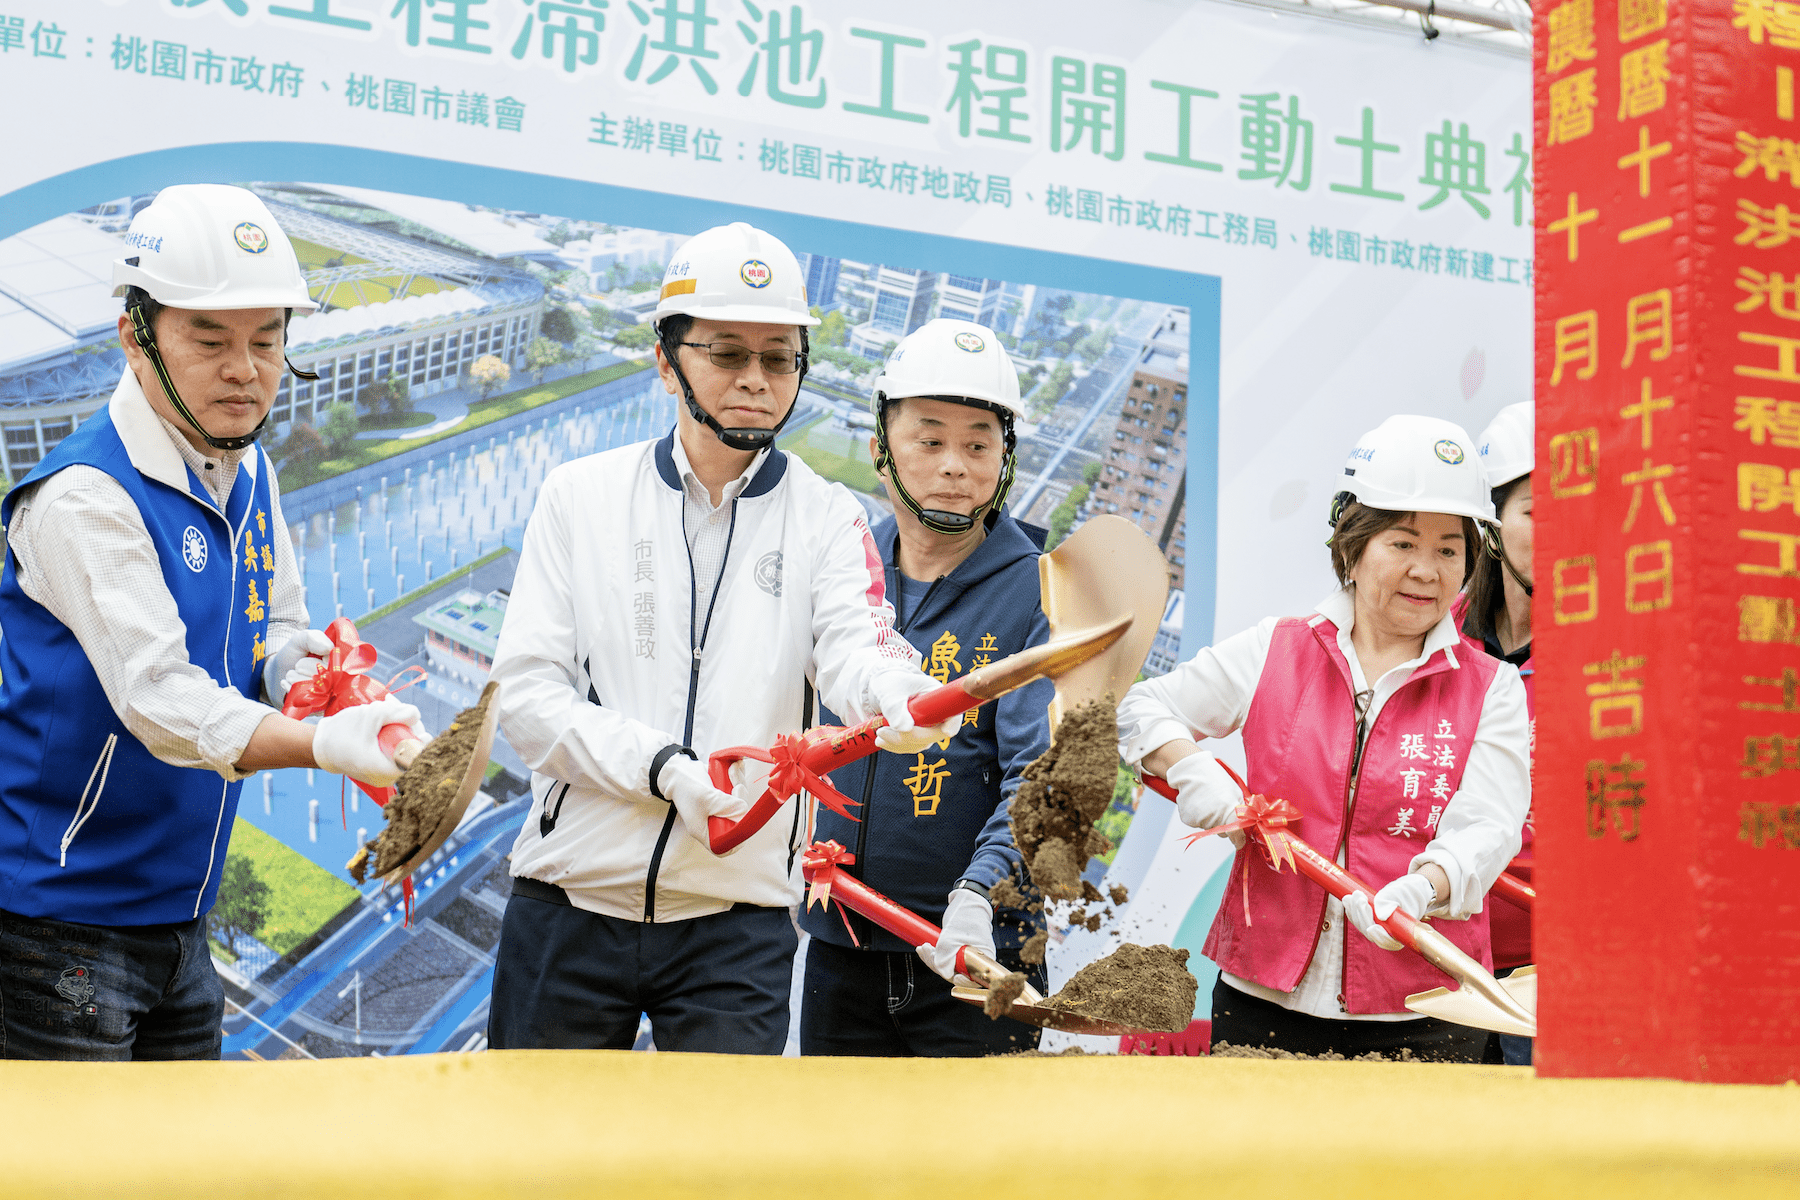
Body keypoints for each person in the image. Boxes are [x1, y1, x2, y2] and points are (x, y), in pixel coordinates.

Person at [486, 222, 955, 1054]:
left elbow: (858, 643)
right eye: (727, 354)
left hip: (737, 927)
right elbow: (525, 699)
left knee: (718, 1174)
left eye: (779, 358)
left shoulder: (829, 516)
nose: (755, 380)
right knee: (532, 1166)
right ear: (667, 361)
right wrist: (664, 770)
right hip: (568, 902)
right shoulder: (579, 497)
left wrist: (899, 693)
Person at [0, 185, 421, 1061]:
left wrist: (308, 675)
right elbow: (158, 696)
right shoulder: (85, 498)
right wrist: (320, 748)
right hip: (59, 928)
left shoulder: (249, 468)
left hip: (183, 914)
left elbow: (271, 627)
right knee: (77, 1180)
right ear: (136, 336)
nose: (246, 369)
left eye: (267, 340)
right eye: (210, 339)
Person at [1117, 415, 1530, 1061]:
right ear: (1354, 541)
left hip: (1427, 1009)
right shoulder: (1276, 648)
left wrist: (1424, 885)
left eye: (1450, 550)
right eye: (1401, 543)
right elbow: (1143, 708)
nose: (1426, 570)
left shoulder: (1493, 688)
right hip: (1263, 997)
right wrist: (1192, 771)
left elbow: (1490, 825)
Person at [799, 319, 1052, 1057]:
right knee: (832, 1168)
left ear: (1005, 460)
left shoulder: (1045, 593)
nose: (955, 466)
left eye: (979, 444)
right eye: (930, 439)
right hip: (840, 942)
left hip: (979, 959)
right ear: (881, 447)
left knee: (970, 1175)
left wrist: (980, 897)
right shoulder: (843, 567)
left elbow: (1044, 780)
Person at [1462, 400, 1534, 1066]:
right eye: (1538, 512)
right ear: (1490, 526)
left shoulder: (1618, 658)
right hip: (1435, 968)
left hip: (1546, 987)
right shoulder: (1433, 637)